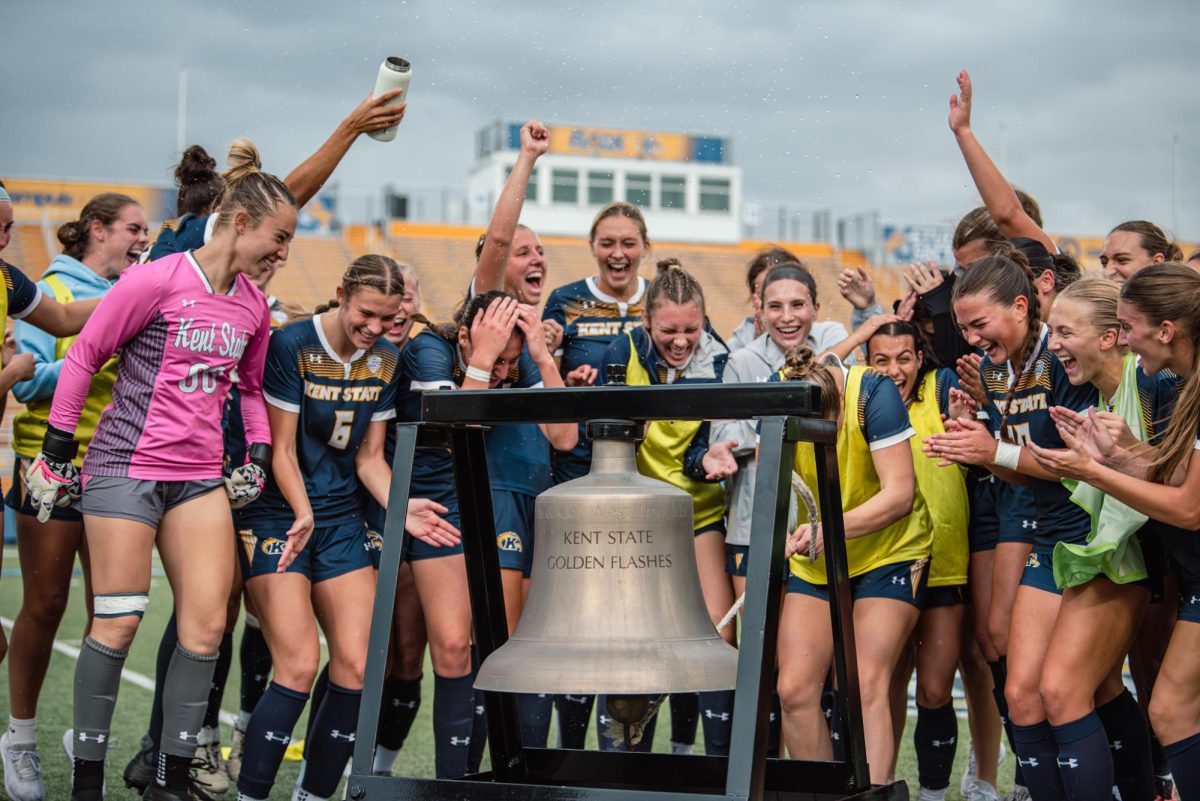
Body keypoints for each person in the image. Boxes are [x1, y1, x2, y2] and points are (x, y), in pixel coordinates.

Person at [25, 153, 297, 801]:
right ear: (239, 221)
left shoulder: (253, 306)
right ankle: (87, 781)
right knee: (117, 622)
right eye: (279, 235)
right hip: (124, 468)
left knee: (204, 631)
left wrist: (256, 452)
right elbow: (86, 354)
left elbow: (252, 388)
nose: (286, 249)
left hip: (199, 479)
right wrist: (58, 448)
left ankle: (170, 779)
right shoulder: (156, 279)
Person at [231, 255, 459, 801]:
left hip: (337, 520)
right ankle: (250, 794)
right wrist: (301, 510)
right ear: (339, 294)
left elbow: (369, 460)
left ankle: (311, 795)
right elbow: (281, 450)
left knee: (358, 666)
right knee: (299, 663)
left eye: (387, 318)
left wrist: (401, 508)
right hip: (278, 515)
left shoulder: (384, 360)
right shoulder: (292, 345)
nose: (376, 329)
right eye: (366, 315)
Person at [1023, 263, 1200, 799]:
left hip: (1173, 566)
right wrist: (1119, 454)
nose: (1124, 340)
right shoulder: (1177, 384)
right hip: (1187, 573)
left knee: (1163, 706)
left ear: (1164, 330)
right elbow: (1171, 474)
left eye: (1127, 328)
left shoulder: (1164, 386)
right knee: (1164, 707)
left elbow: (1189, 509)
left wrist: (1098, 470)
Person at [0, 193, 150, 801]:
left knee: (111, 610)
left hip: (113, 466)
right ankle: (21, 738)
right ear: (96, 230)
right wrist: (102, 346)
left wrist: (135, 300)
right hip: (49, 462)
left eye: (10, 227)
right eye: (132, 228)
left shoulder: (13, 280)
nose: (7, 237)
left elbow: (62, 329)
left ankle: (82, 733)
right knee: (44, 605)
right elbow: (33, 381)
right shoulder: (53, 285)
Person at [396, 290, 576, 777]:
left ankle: (497, 777)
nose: (503, 372)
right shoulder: (435, 351)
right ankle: (456, 779)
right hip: (460, 499)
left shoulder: (521, 362)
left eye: (510, 363)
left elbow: (565, 436)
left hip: (517, 500)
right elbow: (459, 423)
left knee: (505, 647)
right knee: (457, 647)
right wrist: (483, 357)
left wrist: (538, 354)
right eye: (499, 361)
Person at [598, 259, 735, 756]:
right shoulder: (623, 350)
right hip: (636, 517)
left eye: (691, 329)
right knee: (633, 637)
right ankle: (623, 764)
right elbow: (602, 434)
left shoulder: (721, 360)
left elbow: (704, 445)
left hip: (697, 513)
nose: (681, 340)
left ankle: (722, 772)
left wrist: (712, 458)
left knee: (719, 635)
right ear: (646, 323)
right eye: (668, 330)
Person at [774, 341, 926, 785]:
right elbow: (772, 481)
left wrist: (827, 530)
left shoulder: (875, 393)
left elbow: (900, 496)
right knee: (794, 691)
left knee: (862, 683)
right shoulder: (779, 394)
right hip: (820, 556)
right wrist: (780, 530)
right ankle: (822, 796)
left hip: (890, 551)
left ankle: (872, 794)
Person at [861, 319, 973, 801]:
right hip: (885, 562)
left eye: (903, 357)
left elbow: (974, 452)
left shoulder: (942, 390)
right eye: (880, 359)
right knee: (880, 686)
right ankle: (876, 786)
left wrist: (967, 431)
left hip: (945, 560)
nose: (893, 369)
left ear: (920, 358)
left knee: (932, 691)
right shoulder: (862, 403)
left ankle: (932, 793)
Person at [150, 89, 407, 260]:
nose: (282, 255)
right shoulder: (171, 249)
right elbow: (284, 199)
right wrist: (350, 129)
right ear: (220, 213)